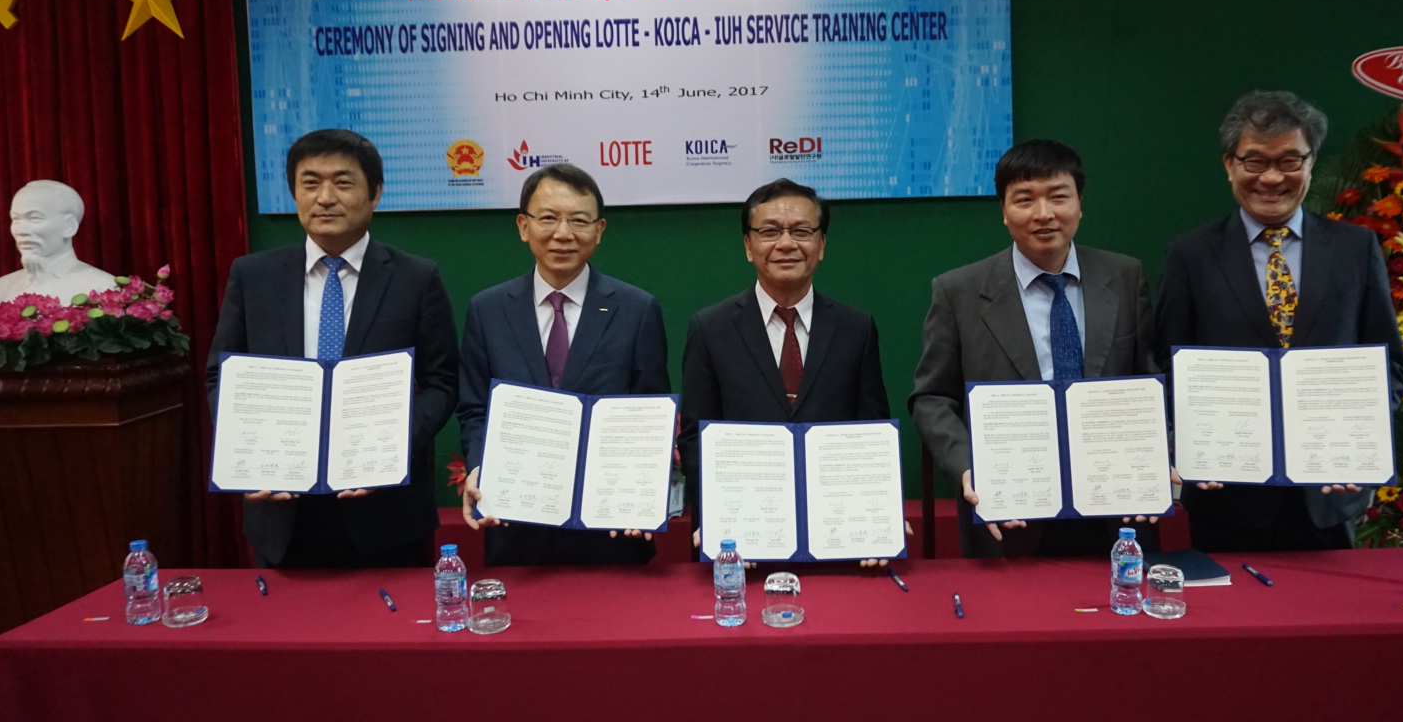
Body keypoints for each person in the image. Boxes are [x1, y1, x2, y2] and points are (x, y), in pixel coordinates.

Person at [1155, 90, 1403, 551]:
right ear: (1229, 164)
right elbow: (1167, 366)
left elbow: (1389, 365)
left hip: (1328, 494)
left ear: (1311, 163)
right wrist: (1191, 441)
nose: (1272, 177)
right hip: (1226, 494)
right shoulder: (1191, 254)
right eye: (1254, 161)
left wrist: (1358, 441)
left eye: (1290, 160)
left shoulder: (1355, 249)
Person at [206, 129, 458, 568]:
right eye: (310, 183)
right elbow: (220, 376)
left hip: (386, 512)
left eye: (343, 183)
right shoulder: (252, 276)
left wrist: (389, 448)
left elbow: (442, 382)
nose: (325, 198)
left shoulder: (416, 279)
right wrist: (248, 448)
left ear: (375, 193)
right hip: (281, 507)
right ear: (294, 193)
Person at [910, 139, 1159, 558]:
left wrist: (1157, 451)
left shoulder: (1125, 277)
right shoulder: (959, 292)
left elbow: (1150, 379)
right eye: (1025, 199)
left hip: (1117, 509)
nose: (1044, 214)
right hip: (1009, 513)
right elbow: (931, 397)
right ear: (1004, 211)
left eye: (1058, 197)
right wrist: (968, 466)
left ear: (1079, 204)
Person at [457, 164, 669, 565]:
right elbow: (474, 409)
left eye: (579, 221)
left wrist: (640, 493)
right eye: (548, 218)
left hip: (611, 533)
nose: (563, 233)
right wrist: (481, 467)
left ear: (599, 230)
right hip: (516, 528)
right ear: (523, 226)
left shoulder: (637, 309)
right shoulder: (488, 310)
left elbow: (649, 414)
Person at [678, 178, 891, 563]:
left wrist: (879, 514)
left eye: (802, 231)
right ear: (748, 246)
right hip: (739, 542)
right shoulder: (709, 328)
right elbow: (696, 437)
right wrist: (713, 515)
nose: (787, 243)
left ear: (821, 245)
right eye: (770, 231)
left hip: (838, 537)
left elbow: (871, 433)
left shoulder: (856, 328)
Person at [0, 180, 117, 304]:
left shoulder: (103, 289)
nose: (21, 231)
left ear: (69, 226)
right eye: (15, 219)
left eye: (35, 218)